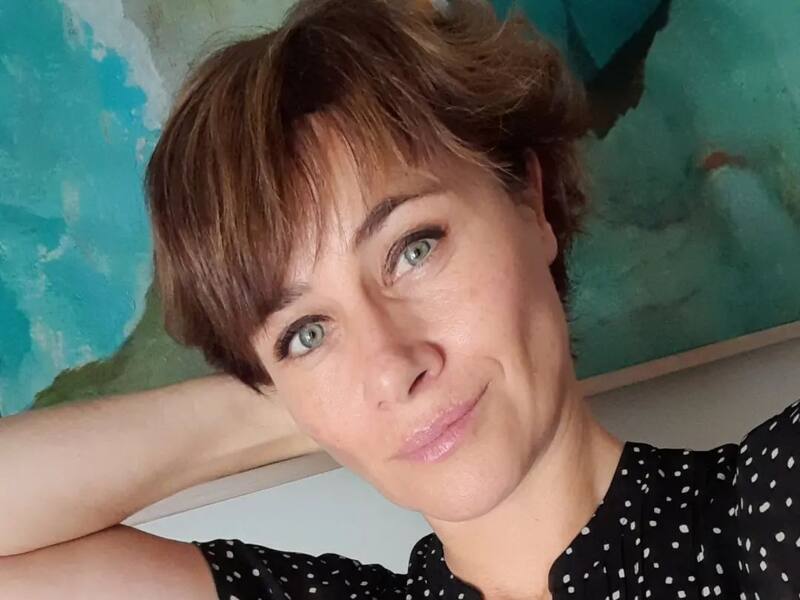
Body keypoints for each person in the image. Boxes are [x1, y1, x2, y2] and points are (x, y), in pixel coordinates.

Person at [1, 1, 798, 598]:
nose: (392, 364)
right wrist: (310, 404)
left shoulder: (766, 512)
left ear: (529, 201)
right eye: (306, 332)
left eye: (413, 249)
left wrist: (322, 379)